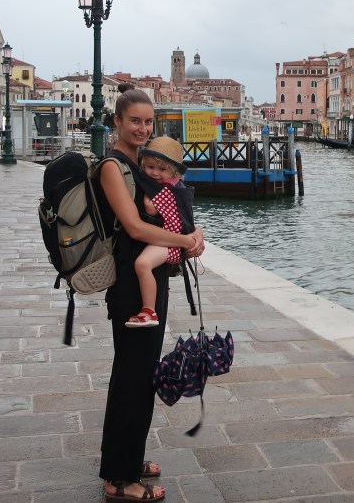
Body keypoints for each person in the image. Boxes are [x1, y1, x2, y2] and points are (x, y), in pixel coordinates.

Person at [96, 84, 204, 502]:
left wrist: (192, 234)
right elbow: (137, 228)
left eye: (148, 122)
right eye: (134, 121)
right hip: (129, 282)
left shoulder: (137, 163)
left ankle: (123, 456)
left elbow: (168, 210)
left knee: (134, 374)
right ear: (117, 121)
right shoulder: (112, 166)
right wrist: (184, 240)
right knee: (134, 378)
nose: (142, 128)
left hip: (146, 278)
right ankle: (120, 481)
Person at [127, 136, 193, 329]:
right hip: (169, 241)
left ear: (173, 171)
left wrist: (147, 190)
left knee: (142, 264)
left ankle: (149, 311)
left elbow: (149, 208)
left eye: (162, 169)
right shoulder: (175, 186)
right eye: (149, 167)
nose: (154, 173)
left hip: (170, 243)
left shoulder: (165, 189)